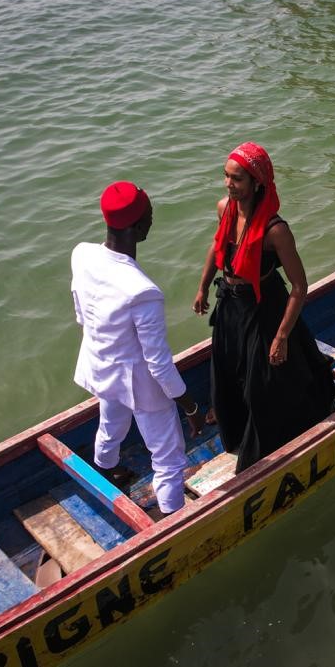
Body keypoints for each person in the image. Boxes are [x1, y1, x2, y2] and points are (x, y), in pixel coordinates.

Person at [192, 142, 334, 473]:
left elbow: (300, 286)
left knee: (262, 385)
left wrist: (282, 336)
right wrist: (202, 288)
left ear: (257, 182)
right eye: (226, 176)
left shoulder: (276, 230)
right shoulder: (224, 208)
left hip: (263, 309)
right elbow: (217, 251)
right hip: (230, 303)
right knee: (228, 371)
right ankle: (237, 428)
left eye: (237, 179)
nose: (229, 184)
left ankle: (265, 454)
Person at [71, 181, 205, 515]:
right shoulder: (143, 291)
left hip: (100, 365)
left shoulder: (82, 254)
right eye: (149, 216)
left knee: (111, 422)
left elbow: (80, 314)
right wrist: (189, 405)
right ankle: (172, 514)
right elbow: (158, 364)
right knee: (168, 454)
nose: (151, 221)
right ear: (137, 228)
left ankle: (105, 469)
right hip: (140, 383)